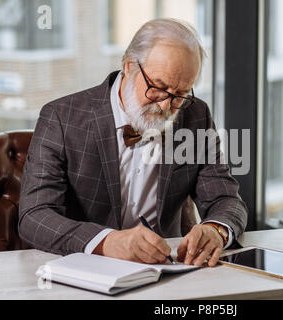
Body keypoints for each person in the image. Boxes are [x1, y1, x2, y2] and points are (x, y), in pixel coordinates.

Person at [18, 19, 248, 268]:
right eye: (158, 87)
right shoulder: (61, 117)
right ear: (129, 66)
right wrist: (107, 242)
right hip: (84, 270)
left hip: (167, 271)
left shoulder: (196, 115)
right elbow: (35, 216)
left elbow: (226, 199)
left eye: (180, 94)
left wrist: (216, 230)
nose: (166, 106)